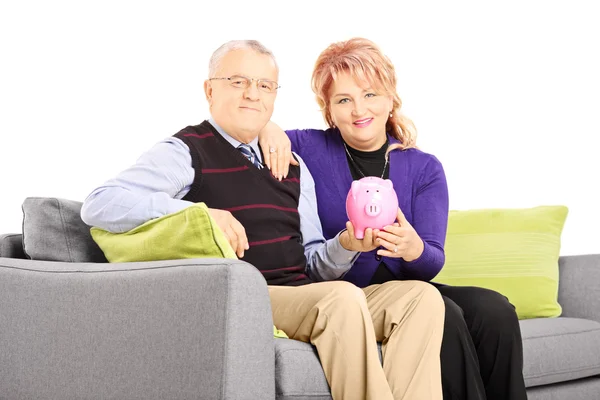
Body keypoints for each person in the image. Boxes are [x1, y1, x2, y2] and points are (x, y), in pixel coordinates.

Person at [81, 40, 445, 400]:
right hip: (245, 296)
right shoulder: (186, 151)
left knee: (418, 298)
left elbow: (315, 266)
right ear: (210, 90)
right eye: (238, 82)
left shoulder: (291, 163)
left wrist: (346, 245)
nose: (252, 94)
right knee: (342, 299)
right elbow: (100, 203)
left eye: (265, 85)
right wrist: (200, 215)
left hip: (302, 294)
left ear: (274, 97)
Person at [259, 38, 528, 400]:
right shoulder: (309, 147)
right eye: (343, 100)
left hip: (409, 285)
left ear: (390, 99)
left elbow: (432, 261)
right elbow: (249, 128)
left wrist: (414, 248)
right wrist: (269, 129)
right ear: (329, 111)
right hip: (348, 294)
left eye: (369, 95)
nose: (358, 110)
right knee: (445, 314)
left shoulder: (424, 167)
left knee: (495, 310)